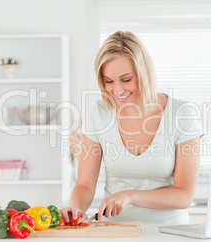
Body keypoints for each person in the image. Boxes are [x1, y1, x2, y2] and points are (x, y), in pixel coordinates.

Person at [60, 31, 203, 224]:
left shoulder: (182, 114)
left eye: (126, 79)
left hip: (168, 231)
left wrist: (130, 196)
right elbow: (84, 184)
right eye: (108, 81)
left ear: (144, 73)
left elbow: (184, 195)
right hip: (114, 231)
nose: (117, 91)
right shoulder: (99, 113)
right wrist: (76, 208)